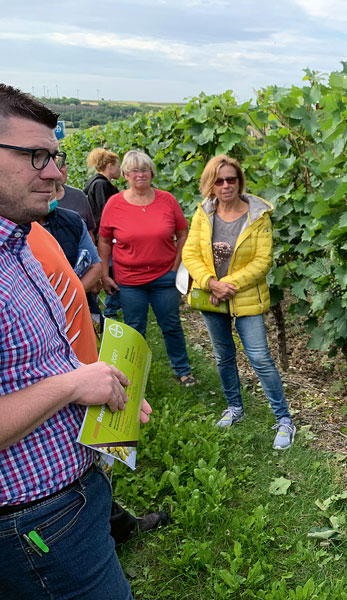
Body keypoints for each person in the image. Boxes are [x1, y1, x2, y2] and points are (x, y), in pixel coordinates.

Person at [0, 83, 149, 599]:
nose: (57, 173)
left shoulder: (19, 245)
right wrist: (70, 388)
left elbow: (42, 365)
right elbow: (58, 382)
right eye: (36, 156)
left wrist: (104, 387)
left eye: (56, 156)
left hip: (69, 500)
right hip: (32, 525)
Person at [28, 221, 169, 546]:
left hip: (82, 382)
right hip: (56, 405)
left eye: (59, 164)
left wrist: (98, 377)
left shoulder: (30, 233)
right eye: (33, 164)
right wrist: (72, 386)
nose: (54, 173)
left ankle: (115, 526)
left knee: (95, 469)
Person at [182, 154, 295, 448]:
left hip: (244, 296)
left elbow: (263, 260)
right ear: (211, 184)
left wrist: (228, 285)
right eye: (219, 180)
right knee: (223, 355)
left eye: (231, 179)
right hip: (212, 296)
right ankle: (235, 408)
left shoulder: (257, 216)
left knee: (259, 357)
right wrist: (211, 283)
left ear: (239, 181)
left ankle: (284, 420)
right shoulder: (202, 214)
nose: (226, 185)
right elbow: (190, 254)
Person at [98, 150, 195, 386]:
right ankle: (134, 373)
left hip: (164, 276)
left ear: (151, 173)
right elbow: (103, 240)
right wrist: (103, 273)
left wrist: (177, 263)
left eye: (144, 170)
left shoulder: (167, 200)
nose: (140, 175)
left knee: (171, 324)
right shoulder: (115, 204)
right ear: (125, 175)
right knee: (134, 327)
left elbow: (183, 232)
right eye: (134, 171)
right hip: (130, 279)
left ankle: (183, 370)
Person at [85, 147, 122, 318]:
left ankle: (113, 307)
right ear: (109, 166)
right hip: (105, 236)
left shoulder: (95, 182)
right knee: (111, 270)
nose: (120, 170)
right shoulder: (101, 185)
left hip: (102, 235)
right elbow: (105, 212)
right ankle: (110, 310)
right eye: (117, 166)